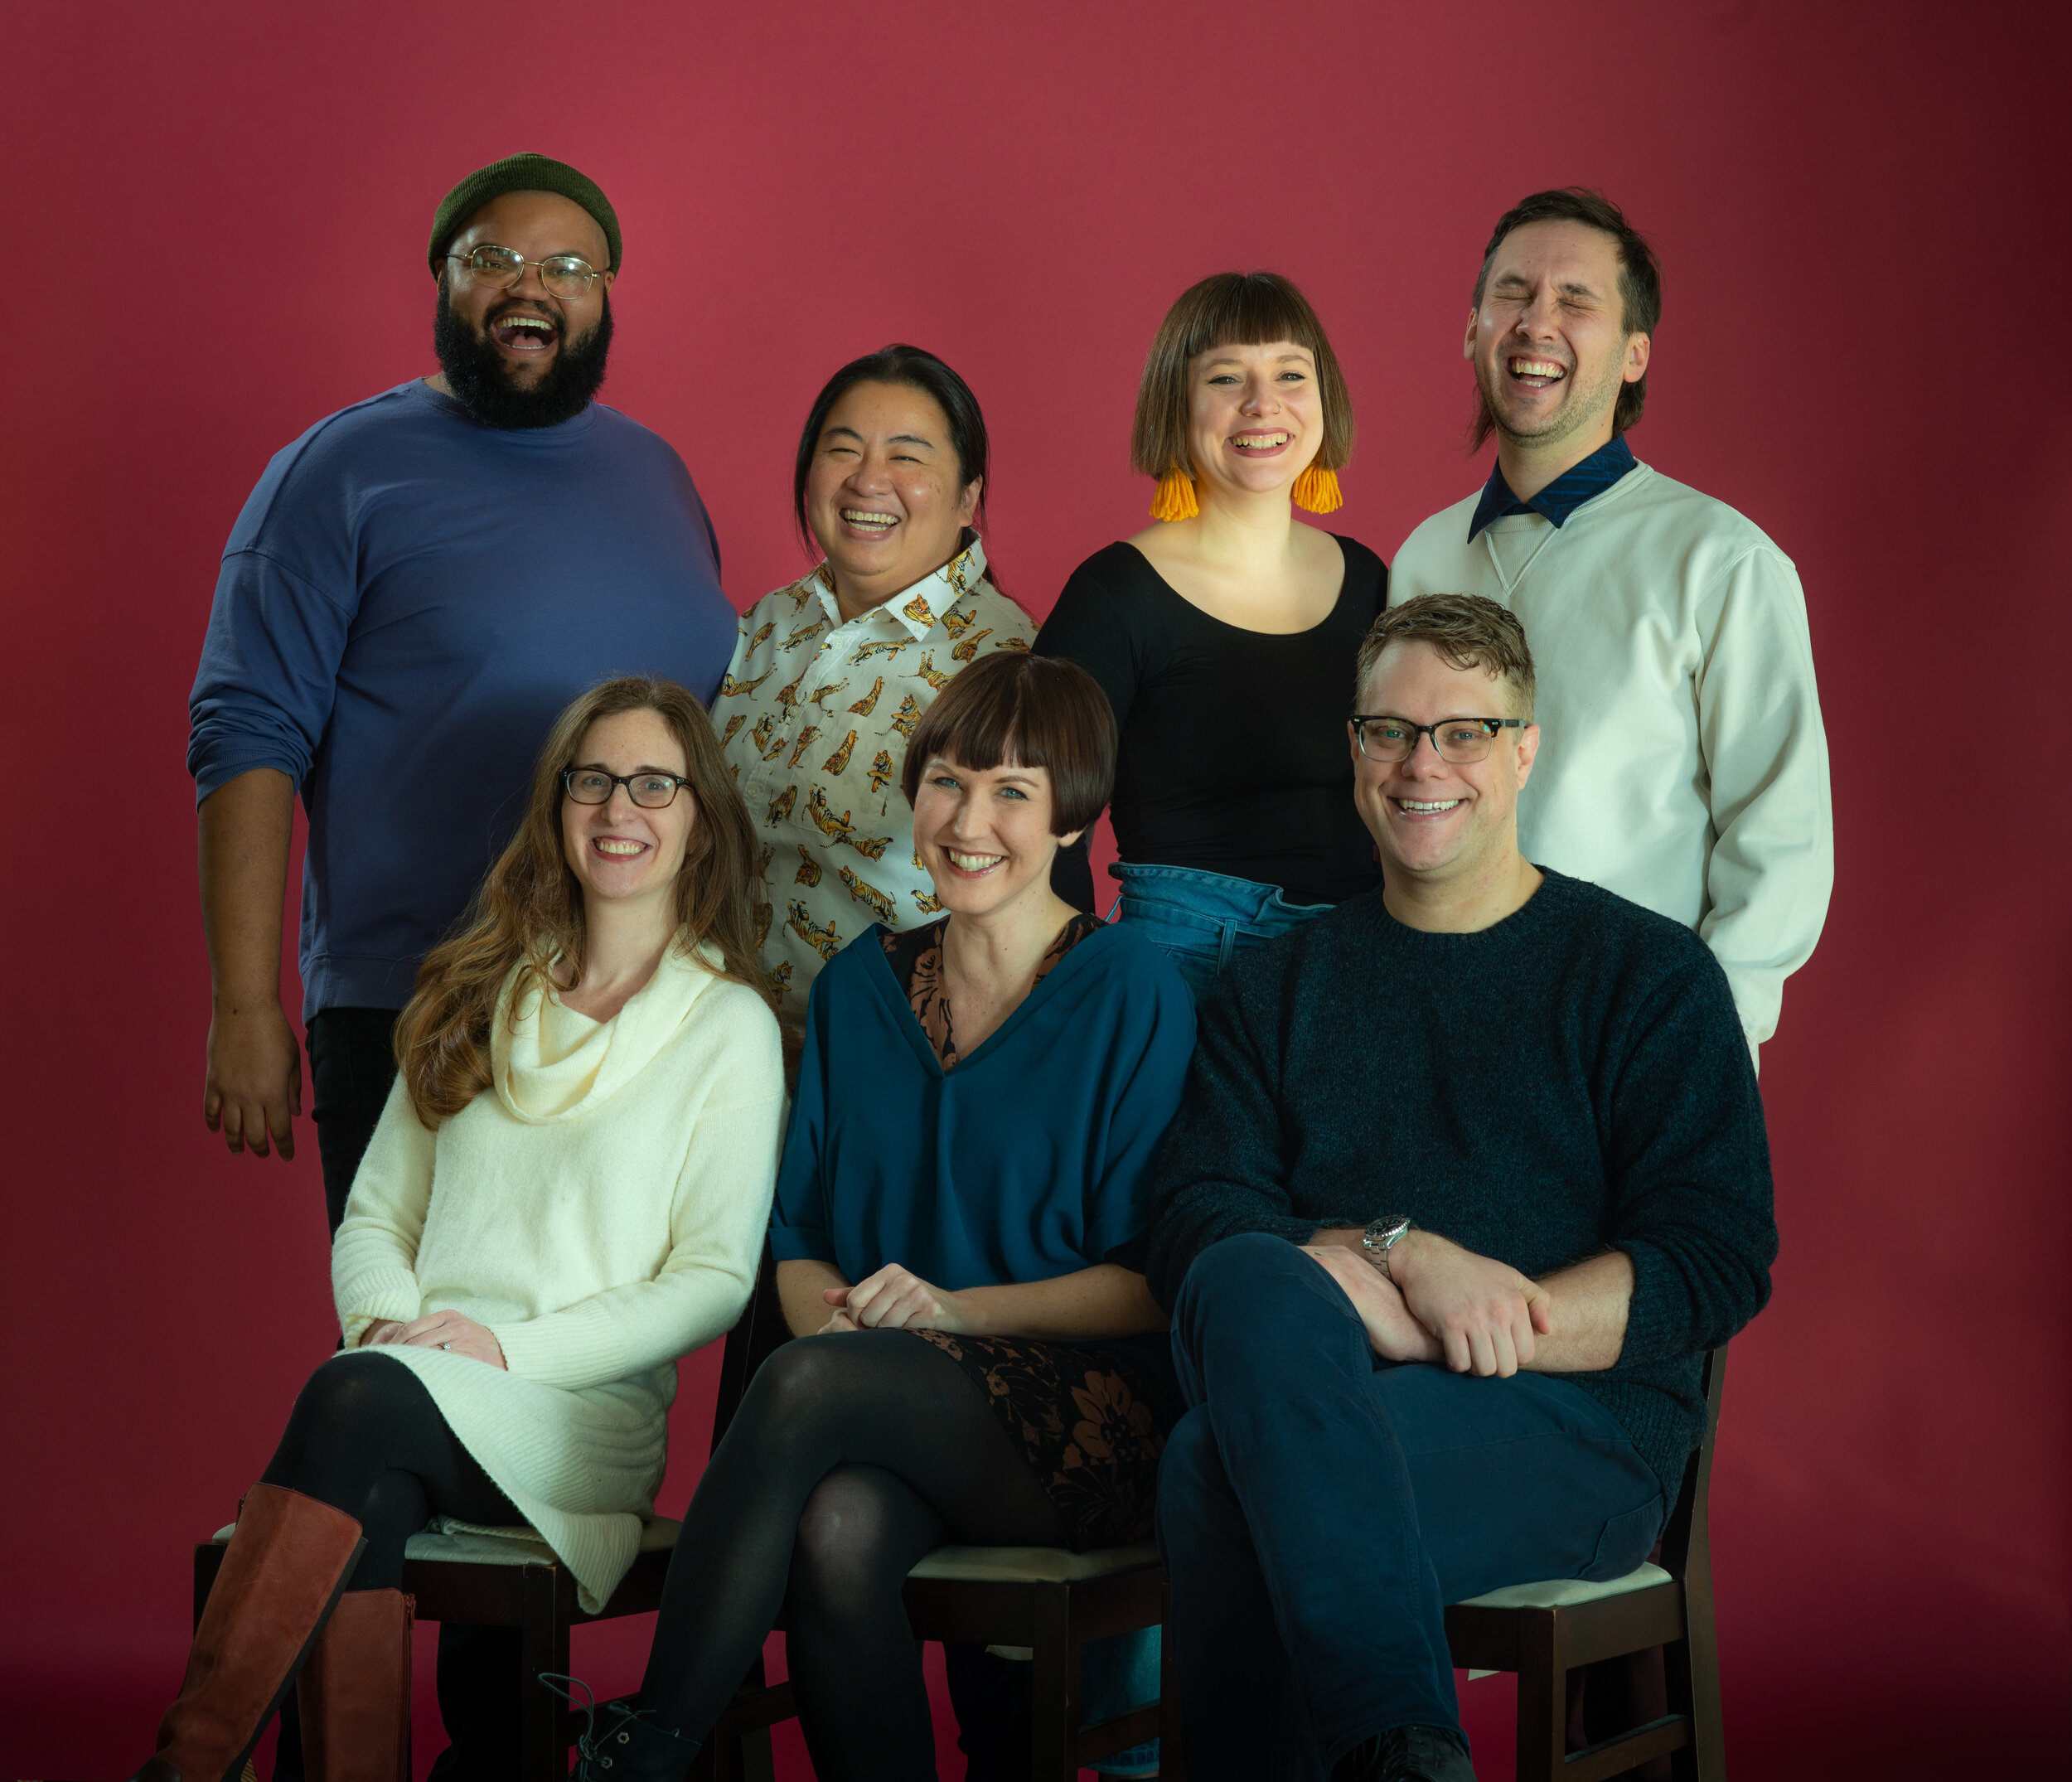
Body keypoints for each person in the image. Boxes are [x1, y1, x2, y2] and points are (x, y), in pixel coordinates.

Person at [187, 153, 735, 1774]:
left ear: (607, 296)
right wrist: (244, 1003)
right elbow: (246, 732)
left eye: (570, 266)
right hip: (416, 1016)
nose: (532, 288)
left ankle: (500, 1748)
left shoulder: (655, 474)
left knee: (545, 1417)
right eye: (496, 256)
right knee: (428, 1378)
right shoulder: (336, 473)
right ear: (440, 275)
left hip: (626, 1034)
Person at [104, 677, 784, 1782]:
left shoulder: (729, 1028)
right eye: (593, 779)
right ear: (558, 806)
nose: (620, 808)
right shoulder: (480, 991)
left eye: (655, 783)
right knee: (362, 1473)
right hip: (414, 1387)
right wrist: (396, 1326)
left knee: (354, 1393)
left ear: (701, 815)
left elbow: (711, 1280)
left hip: (576, 1414)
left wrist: (498, 1347)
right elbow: (377, 1215)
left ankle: (187, 1768)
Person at [1146, 595, 1778, 1782]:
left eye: (1464, 732)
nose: (1421, 763)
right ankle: (1408, 1753)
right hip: (1329, 1387)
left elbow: (1716, 1254)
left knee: (1211, 1470)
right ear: (1352, 749)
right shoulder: (1278, 985)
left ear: (1527, 746)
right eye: (1389, 731)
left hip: (1581, 1429)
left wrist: (1478, 1327)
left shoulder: (1644, 975)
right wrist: (1399, 1251)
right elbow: (1195, 1217)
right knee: (1238, 1275)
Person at [551, 651, 1197, 1781]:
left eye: (1011, 792)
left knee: (801, 1383)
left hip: (1096, 1412)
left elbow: (1149, 1278)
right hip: (890, 1388)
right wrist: (854, 1329)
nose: (967, 819)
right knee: (838, 1531)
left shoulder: (1136, 986)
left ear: (1069, 819)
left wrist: (945, 1313)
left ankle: (650, 1742)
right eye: (946, 782)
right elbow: (799, 1237)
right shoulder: (858, 988)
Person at [1388, 186, 1831, 1062]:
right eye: (1512, 293)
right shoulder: (1420, 558)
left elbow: (1779, 835)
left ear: (1634, 355)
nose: (1535, 322)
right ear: (1472, 329)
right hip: (1431, 1033)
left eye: (1575, 300)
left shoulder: (1720, 560)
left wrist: (1699, 1050)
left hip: (1627, 1046)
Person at [1034, 270, 1386, 990]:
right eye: (1226, 378)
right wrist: (1068, 992)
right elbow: (1042, 820)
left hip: (1359, 959)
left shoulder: (1372, 579)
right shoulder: (1115, 595)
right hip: (1186, 966)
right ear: (1177, 403)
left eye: (1291, 373)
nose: (1264, 404)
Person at [718, 343, 1036, 1040]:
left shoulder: (1003, 664)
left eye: (908, 455)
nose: (868, 481)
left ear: (969, 496)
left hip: (888, 1059)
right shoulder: (769, 621)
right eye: (843, 450)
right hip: (722, 1049)